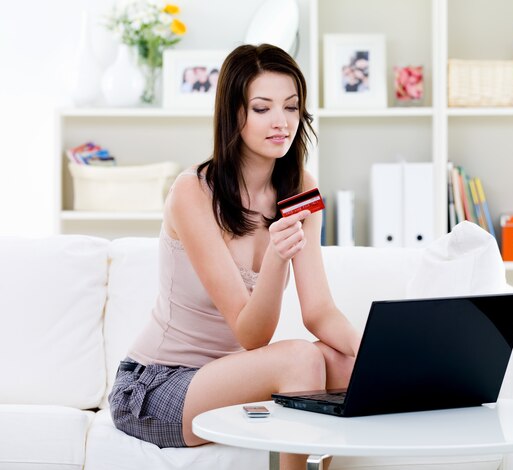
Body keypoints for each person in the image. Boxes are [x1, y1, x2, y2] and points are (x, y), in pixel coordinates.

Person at [108, 43, 361, 470]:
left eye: (291, 107)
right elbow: (252, 336)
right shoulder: (194, 193)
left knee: (350, 367)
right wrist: (278, 257)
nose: (281, 122)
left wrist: (373, 356)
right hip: (156, 386)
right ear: (234, 114)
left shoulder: (300, 186)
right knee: (300, 357)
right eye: (262, 108)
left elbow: (319, 311)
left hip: (229, 375)